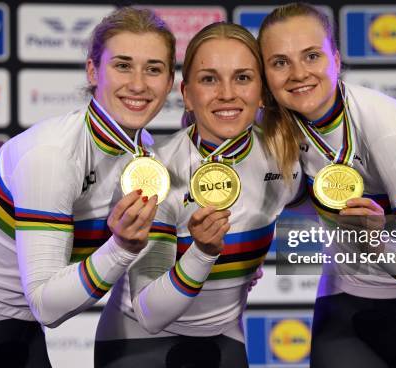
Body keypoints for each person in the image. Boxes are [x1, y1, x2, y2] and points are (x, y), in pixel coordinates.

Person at [0, 7, 175, 367]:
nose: (138, 83)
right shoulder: (52, 156)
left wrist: (209, 260)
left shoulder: (145, 151)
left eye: (153, 69)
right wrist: (122, 248)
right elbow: (48, 307)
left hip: (21, 332)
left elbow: (149, 293)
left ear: (170, 81)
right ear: (92, 70)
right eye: (123, 65)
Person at [258, 3, 396, 368]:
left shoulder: (393, 130)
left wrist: (376, 241)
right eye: (280, 62)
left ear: (337, 58)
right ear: (265, 73)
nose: (298, 74)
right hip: (345, 302)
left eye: (311, 56)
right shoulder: (274, 129)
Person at [94, 22, 302, 368]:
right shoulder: (155, 171)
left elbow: (315, 229)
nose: (226, 93)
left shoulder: (284, 157)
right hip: (138, 346)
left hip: (223, 339)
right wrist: (203, 254)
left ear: (262, 90)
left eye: (242, 78)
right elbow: (150, 313)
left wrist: (249, 262)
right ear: (187, 93)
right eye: (209, 79)